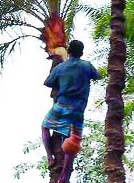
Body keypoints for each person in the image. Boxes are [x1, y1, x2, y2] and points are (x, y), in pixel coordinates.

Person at [41, 40, 100, 183]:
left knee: (44, 127)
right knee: (72, 143)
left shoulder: (61, 67)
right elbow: (98, 76)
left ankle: (50, 157)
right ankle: (64, 178)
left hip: (61, 105)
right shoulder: (86, 66)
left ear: (69, 51)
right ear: (82, 52)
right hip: (78, 110)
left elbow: (47, 82)